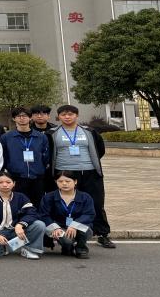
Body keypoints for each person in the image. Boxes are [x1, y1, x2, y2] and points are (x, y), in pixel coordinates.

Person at [49, 104, 115, 249]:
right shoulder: (52, 133)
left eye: (71, 114)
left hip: (89, 172)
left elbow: (100, 149)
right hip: (64, 173)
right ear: (58, 117)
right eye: (64, 114)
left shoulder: (89, 131)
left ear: (77, 116)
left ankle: (102, 234)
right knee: (65, 203)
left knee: (96, 203)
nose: (67, 117)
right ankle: (65, 232)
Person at [0, 171, 47, 259]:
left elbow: (31, 213)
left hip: (16, 231)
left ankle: (29, 250)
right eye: (0, 182)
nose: (5, 185)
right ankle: (3, 249)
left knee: (39, 225)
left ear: (14, 183)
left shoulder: (21, 197)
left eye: (8, 182)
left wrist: (20, 225)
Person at [0, 107, 51, 207]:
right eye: (18, 116)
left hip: (37, 176)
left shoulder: (41, 136)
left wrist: (41, 168)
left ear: (30, 118)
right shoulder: (7, 137)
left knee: (37, 203)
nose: (22, 118)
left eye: (25, 116)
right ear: (14, 118)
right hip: (16, 176)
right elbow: (4, 155)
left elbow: (46, 155)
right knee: (18, 203)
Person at [39, 170, 96, 259]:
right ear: (56, 182)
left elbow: (89, 214)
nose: (64, 184)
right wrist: (55, 227)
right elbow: (44, 215)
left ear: (75, 181)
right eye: (60, 181)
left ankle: (81, 249)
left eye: (68, 181)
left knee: (85, 230)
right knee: (67, 241)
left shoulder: (85, 197)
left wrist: (74, 225)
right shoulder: (49, 197)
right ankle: (67, 247)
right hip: (59, 226)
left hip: (79, 225)